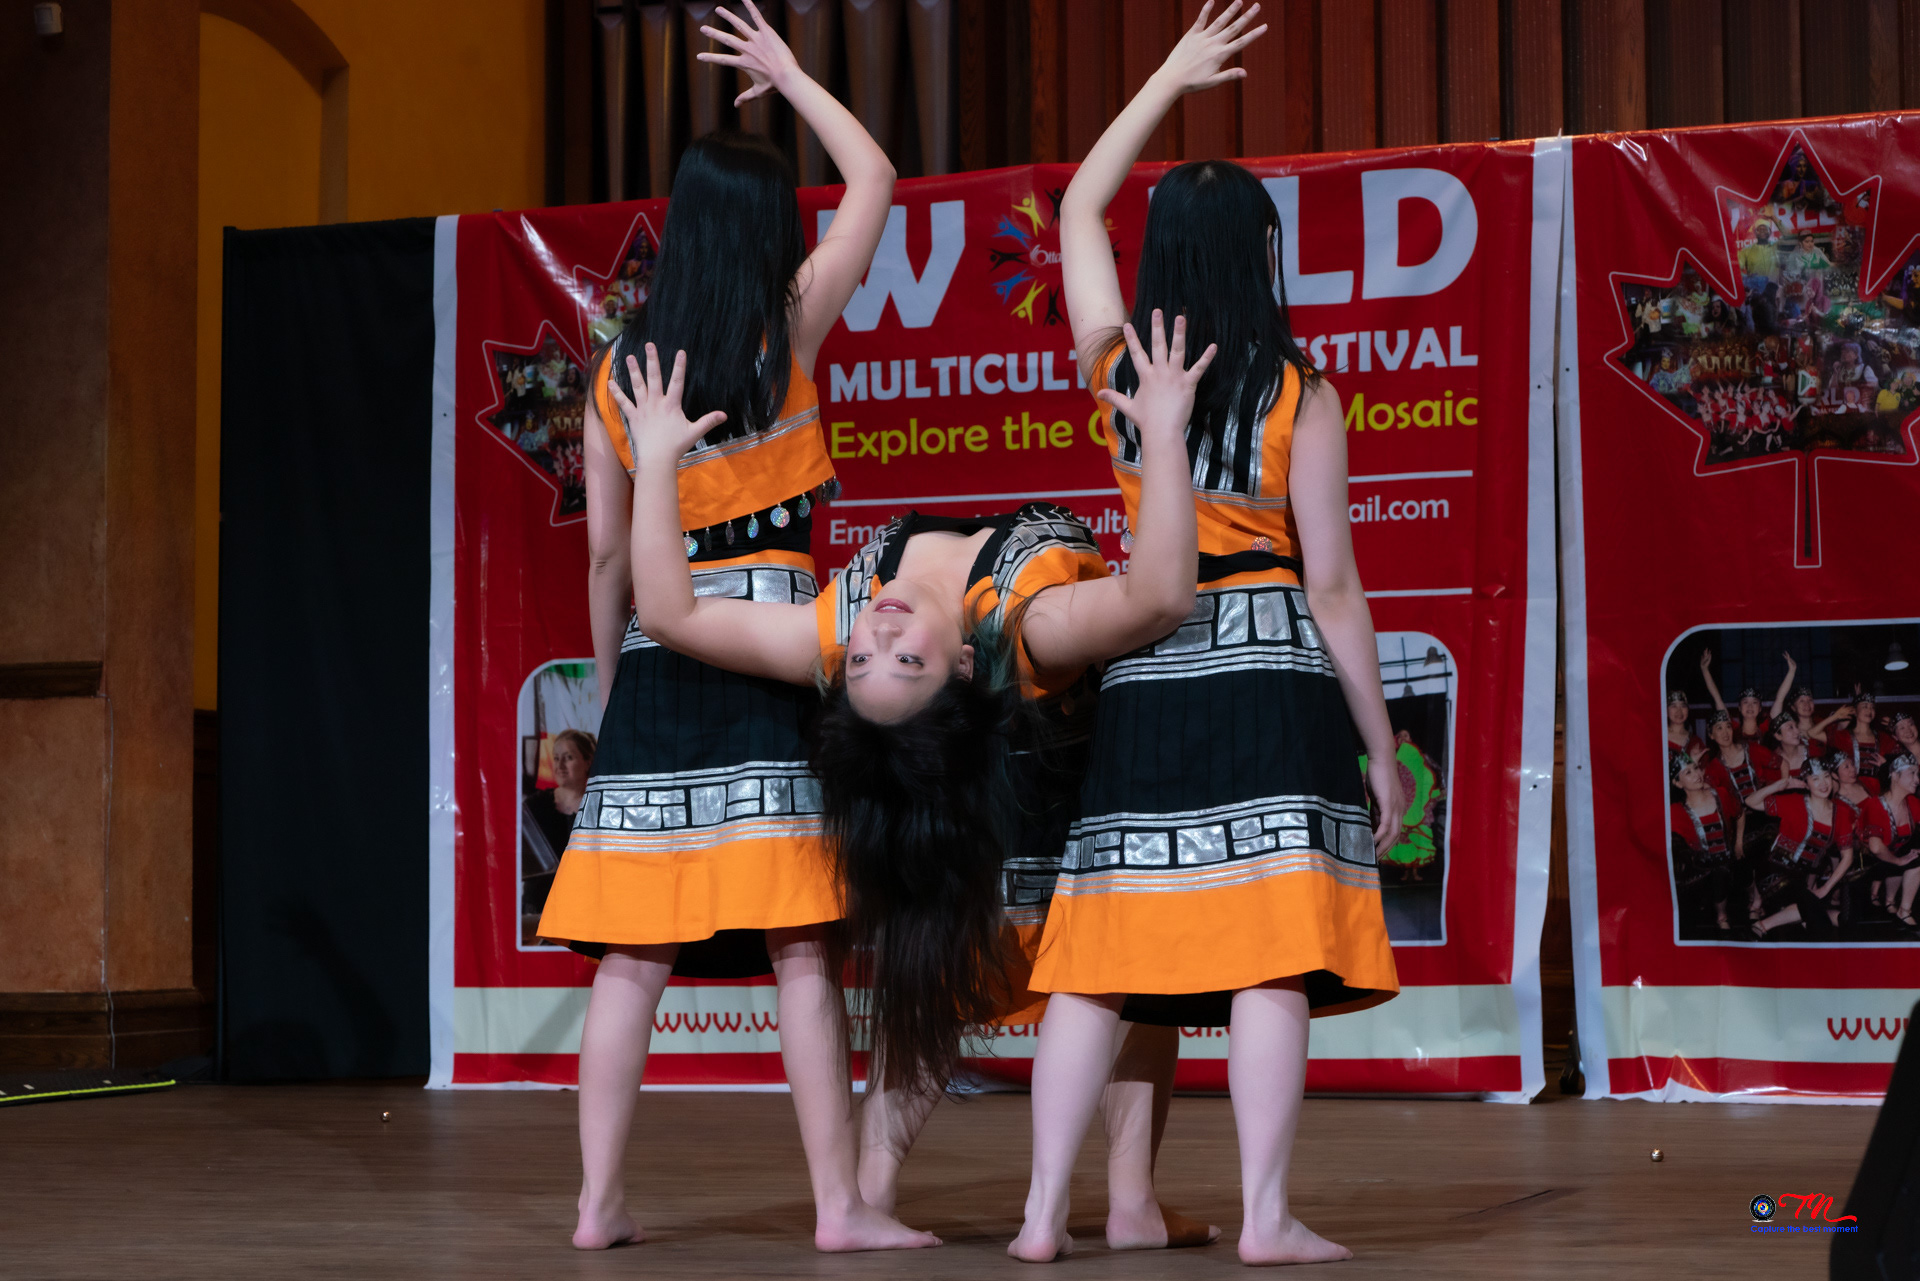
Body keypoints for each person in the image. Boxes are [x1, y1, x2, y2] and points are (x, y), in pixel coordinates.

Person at [613, 316, 1225, 1249]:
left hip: (992, 847)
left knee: (963, 997)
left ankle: (906, 1192)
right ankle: (1091, 1200)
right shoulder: (1027, 624)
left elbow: (670, 612)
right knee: (1116, 994)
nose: (880, 632)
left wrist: (657, 463)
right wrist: (1168, 432)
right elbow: (1161, 595)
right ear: (965, 671)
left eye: (867, 659)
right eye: (904, 658)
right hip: (1046, 863)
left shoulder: (840, 624)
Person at [532, 3, 926, 1253]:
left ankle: (597, 1206)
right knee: (802, 950)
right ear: (766, 230)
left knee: (631, 961)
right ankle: (837, 1209)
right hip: (776, 658)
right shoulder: (788, 326)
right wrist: (794, 76)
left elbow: (608, 556)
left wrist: (613, 683)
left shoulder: (619, 373)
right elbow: (875, 176)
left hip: (662, 662)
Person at [1019, 5, 1401, 1265]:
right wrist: (1381, 743)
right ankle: (1266, 1217)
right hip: (1270, 674)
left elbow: (1080, 209)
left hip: (1146, 662)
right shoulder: (1303, 393)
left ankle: (1041, 1218)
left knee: (1101, 952)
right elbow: (1333, 587)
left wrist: (1167, 79)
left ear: (1165, 261)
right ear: (1262, 256)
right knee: (1269, 954)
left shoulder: (1120, 371)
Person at [1745, 761, 1854, 939]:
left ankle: (1767, 924)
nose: (1823, 783)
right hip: (1773, 870)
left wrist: (1826, 888)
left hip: (1802, 878)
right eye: (1815, 779)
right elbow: (1750, 801)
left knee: (1821, 921)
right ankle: (1763, 925)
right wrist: (1780, 785)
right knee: (1814, 915)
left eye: (1826, 776)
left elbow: (1847, 857)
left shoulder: (1841, 813)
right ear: (1806, 783)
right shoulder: (1793, 801)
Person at [522, 728, 596, 921]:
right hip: (539, 910)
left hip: (586, 911)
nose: (560, 765)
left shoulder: (600, 808)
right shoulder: (533, 806)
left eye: (568, 757)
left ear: (588, 762)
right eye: (556, 758)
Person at [1856, 755, 1920, 927]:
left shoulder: (1911, 802)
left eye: (1917, 774)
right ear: (1895, 776)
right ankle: (1900, 909)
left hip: (1889, 859)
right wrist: (1898, 861)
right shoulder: (1875, 805)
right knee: (1850, 920)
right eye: (1912, 773)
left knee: (1913, 854)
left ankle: (1896, 906)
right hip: (1863, 866)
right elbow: (1876, 848)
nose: (1917, 780)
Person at [1665, 689, 1706, 760]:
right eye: (1674, 706)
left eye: (1683, 706)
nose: (1679, 711)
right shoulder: (1659, 738)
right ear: (1666, 710)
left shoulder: (1695, 742)